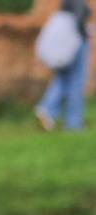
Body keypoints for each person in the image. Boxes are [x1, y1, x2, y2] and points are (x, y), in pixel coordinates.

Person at [35, 0, 92, 132]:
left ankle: (47, 109)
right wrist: (84, 32)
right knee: (76, 82)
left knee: (62, 79)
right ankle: (73, 123)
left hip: (64, 45)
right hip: (74, 43)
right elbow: (80, 16)